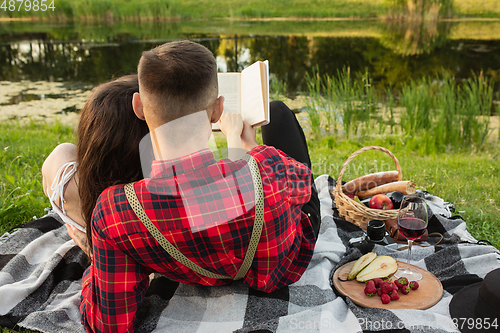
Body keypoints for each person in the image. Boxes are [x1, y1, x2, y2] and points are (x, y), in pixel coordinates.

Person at [75, 40, 320, 333]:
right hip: (277, 271)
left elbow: (107, 326)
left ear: (138, 106)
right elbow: (304, 188)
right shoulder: (270, 165)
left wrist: (96, 267)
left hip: (189, 267)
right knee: (278, 113)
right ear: (218, 110)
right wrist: (250, 147)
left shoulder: (114, 212)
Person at [42, 75, 149, 256]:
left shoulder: (66, 183)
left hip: (80, 211)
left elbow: (51, 174)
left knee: (65, 151)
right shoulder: (157, 199)